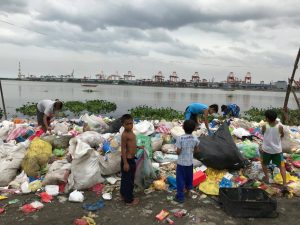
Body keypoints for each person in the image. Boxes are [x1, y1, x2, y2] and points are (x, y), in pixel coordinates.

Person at [174, 120, 200, 203]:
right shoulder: (195, 138)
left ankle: (180, 197)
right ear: (193, 129)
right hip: (189, 162)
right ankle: (188, 192)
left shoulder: (180, 138)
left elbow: (178, 151)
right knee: (189, 178)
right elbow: (197, 150)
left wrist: (177, 151)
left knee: (180, 179)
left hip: (181, 163)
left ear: (183, 127)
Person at [260, 110, 287, 190]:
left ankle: (267, 179)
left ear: (267, 118)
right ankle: (284, 183)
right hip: (277, 151)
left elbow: (262, 133)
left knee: (264, 164)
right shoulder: (280, 126)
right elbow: (282, 135)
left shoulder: (264, 126)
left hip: (266, 150)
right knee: (281, 166)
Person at [120, 114, 139, 205]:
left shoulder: (132, 133)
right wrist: (125, 163)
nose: (130, 125)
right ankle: (129, 200)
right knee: (129, 181)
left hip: (131, 159)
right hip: (127, 160)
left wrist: (138, 147)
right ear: (123, 124)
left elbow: (131, 145)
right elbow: (123, 149)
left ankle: (123, 193)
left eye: (131, 123)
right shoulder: (124, 135)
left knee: (125, 179)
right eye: (127, 124)